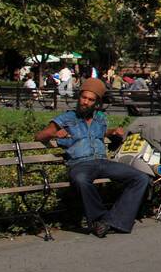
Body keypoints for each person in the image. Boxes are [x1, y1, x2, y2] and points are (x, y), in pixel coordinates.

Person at [35, 78, 150, 237]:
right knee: (81, 180)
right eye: (83, 98)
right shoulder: (66, 118)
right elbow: (39, 135)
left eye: (90, 100)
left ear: (96, 103)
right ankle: (99, 220)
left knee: (140, 178)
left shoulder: (100, 118)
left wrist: (113, 132)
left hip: (102, 162)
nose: (85, 102)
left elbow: (101, 133)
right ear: (79, 97)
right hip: (79, 164)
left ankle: (113, 221)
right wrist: (54, 133)